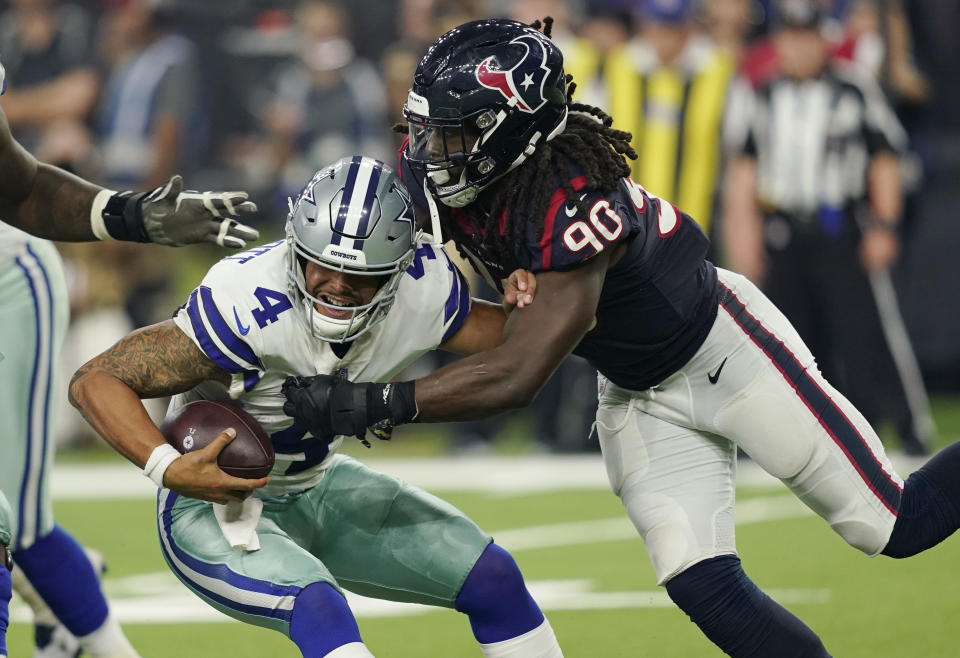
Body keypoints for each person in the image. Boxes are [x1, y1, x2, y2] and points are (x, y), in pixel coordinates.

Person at [280, 18, 960, 656]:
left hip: (724, 352)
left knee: (895, 526)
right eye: (428, 129)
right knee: (701, 580)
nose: (430, 151)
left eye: (453, 134)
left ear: (512, 129)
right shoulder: (442, 176)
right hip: (636, 390)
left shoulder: (576, 194)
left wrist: (374, 404)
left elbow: (520, 371)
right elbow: (387, 271)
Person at [68, 156, 562, 658]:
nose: (337, 285)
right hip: (217, 505)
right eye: (322, 263)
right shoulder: (248, 303)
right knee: (321, 611)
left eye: (360, 275)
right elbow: (97, 379)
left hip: (317, 484)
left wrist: (530, 294)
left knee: (495, 579)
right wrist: (168, 467)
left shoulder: (421, 291)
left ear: (396, 272)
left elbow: (520, 343)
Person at [0, 58, 260, 657]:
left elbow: (14, 183)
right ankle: (62, 612)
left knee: (19, 523)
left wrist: (135, 216)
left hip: (7, 275)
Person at [723, 0, 934, 456]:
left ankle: (906, 427)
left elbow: (884, 158)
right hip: (784, 232)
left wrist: (884, 223)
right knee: (782, 341)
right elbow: (744, 168)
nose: (799, 47)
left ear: (824, 40)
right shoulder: (761, 94)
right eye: (791, 37)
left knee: (867, 333)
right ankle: (783, 438)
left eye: (808, 37)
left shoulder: (853, 88)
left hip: (842, 229)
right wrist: (743, 233)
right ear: (778, 42)